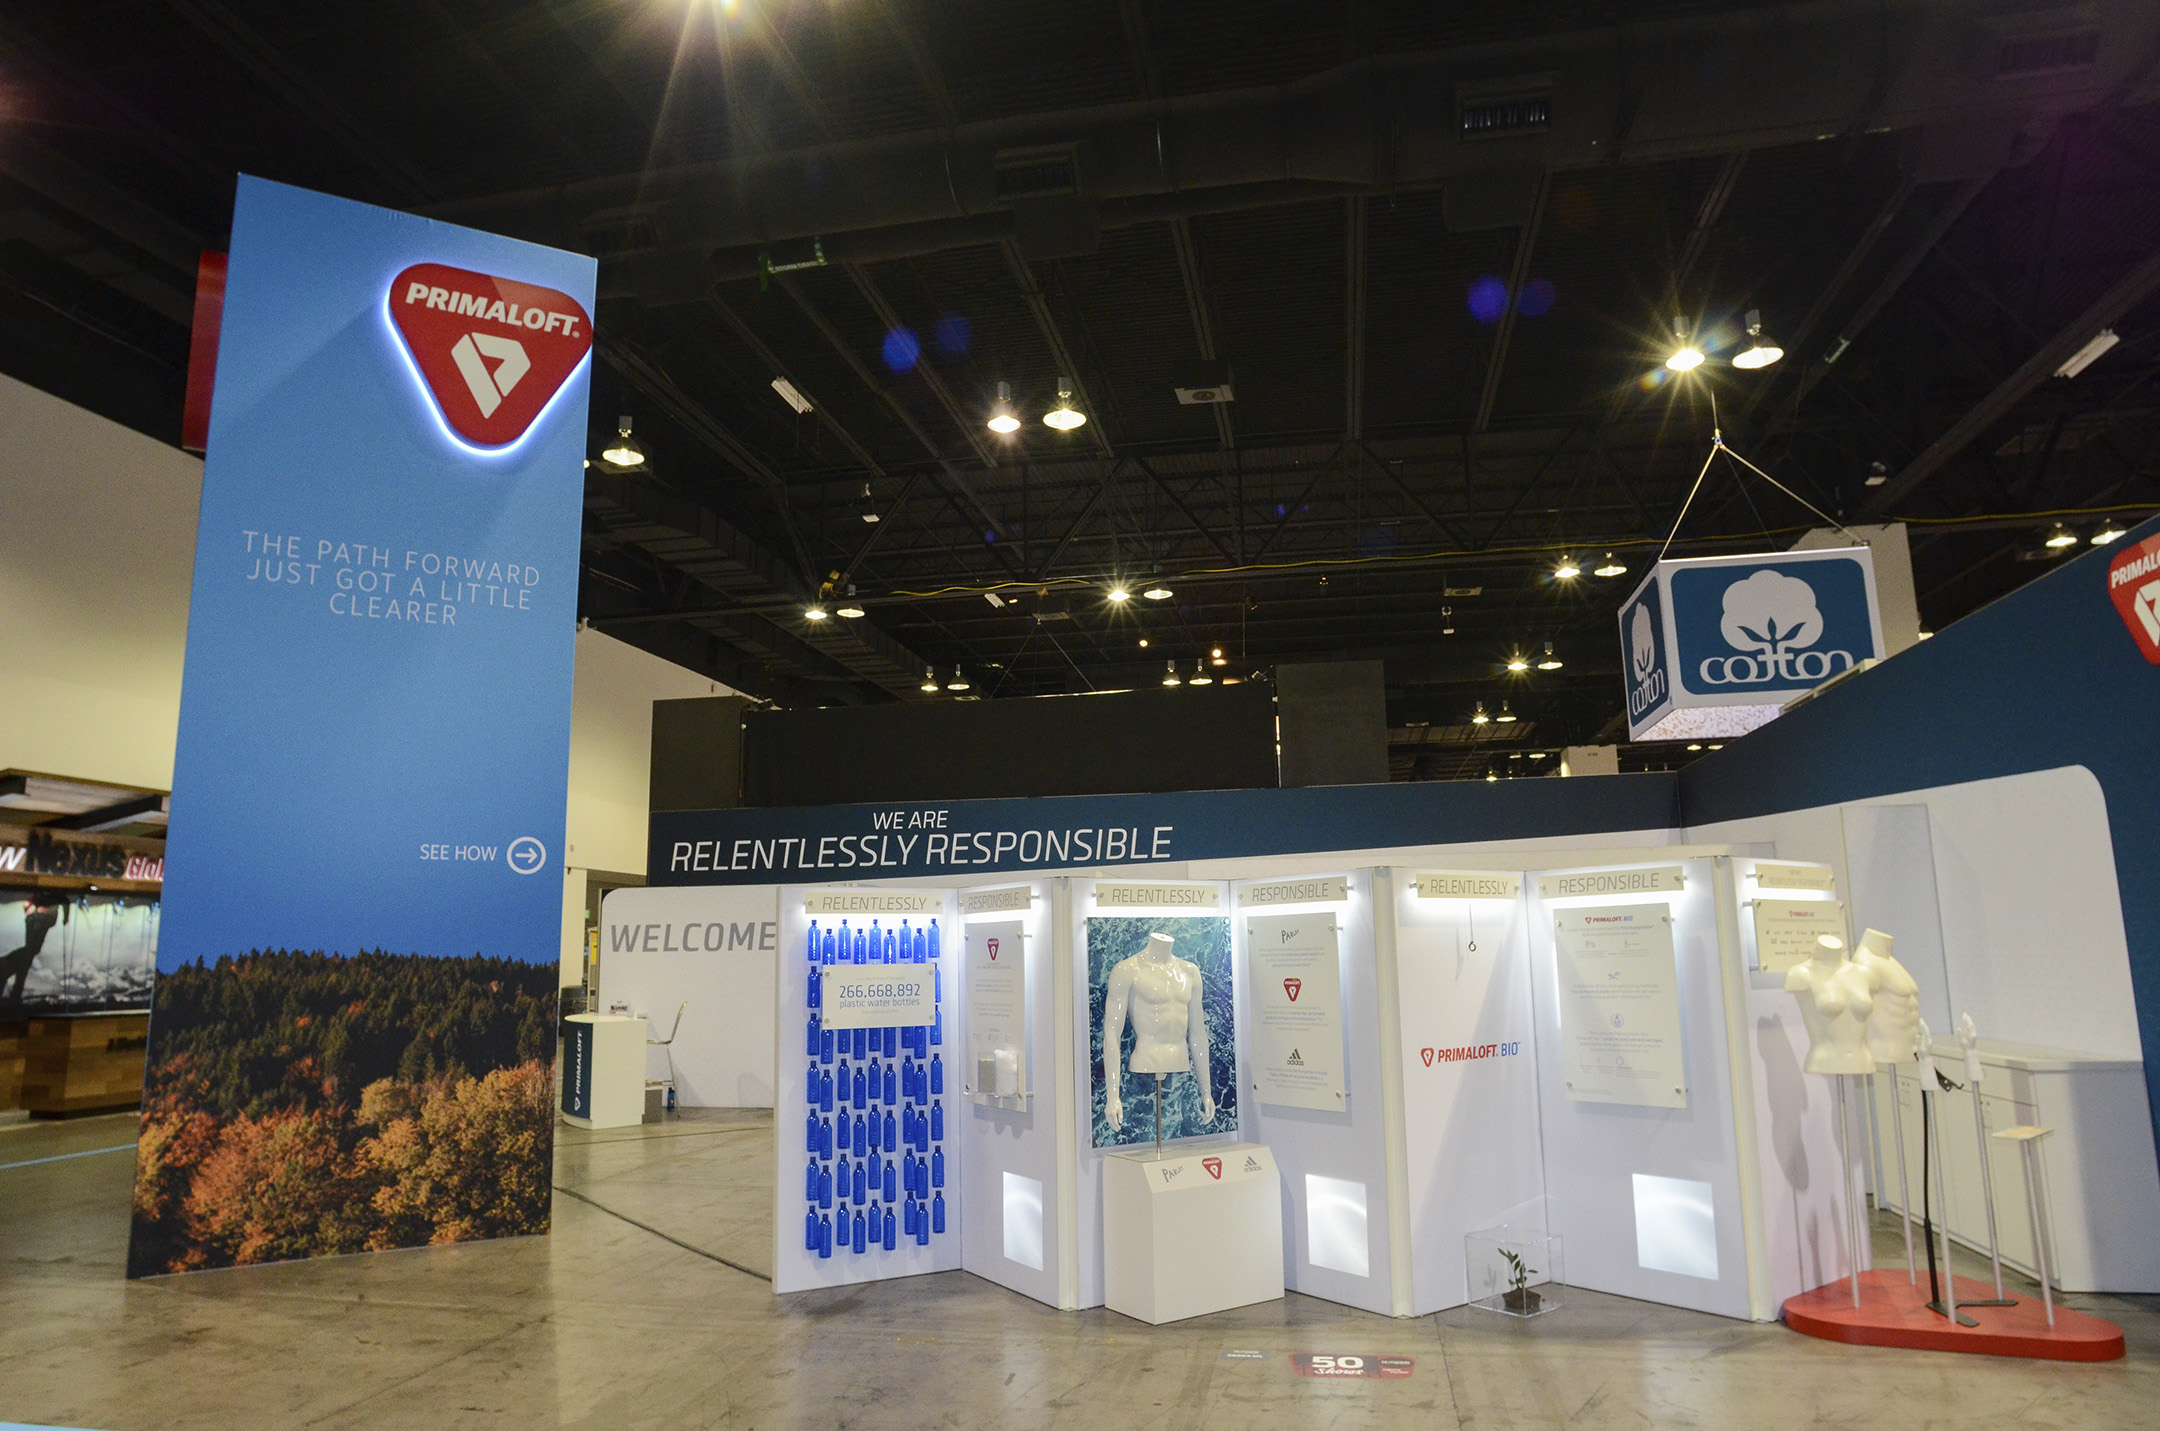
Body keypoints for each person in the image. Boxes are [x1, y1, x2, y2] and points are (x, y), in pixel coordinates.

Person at [1102, 932, 1216, 1133]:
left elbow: (1198, 1032)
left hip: (1180, 1059)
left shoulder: (1190, 972)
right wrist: (1112, 1095)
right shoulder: (1128, 970)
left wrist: (1206, 1091)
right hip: (1146, 1059)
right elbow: (1111, 1034)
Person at [2, 896, 61, 1006]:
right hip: (41, 915)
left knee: (30, 952)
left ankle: (15, 992)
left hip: (38, 915)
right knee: (31, 951)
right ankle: (15, 992)